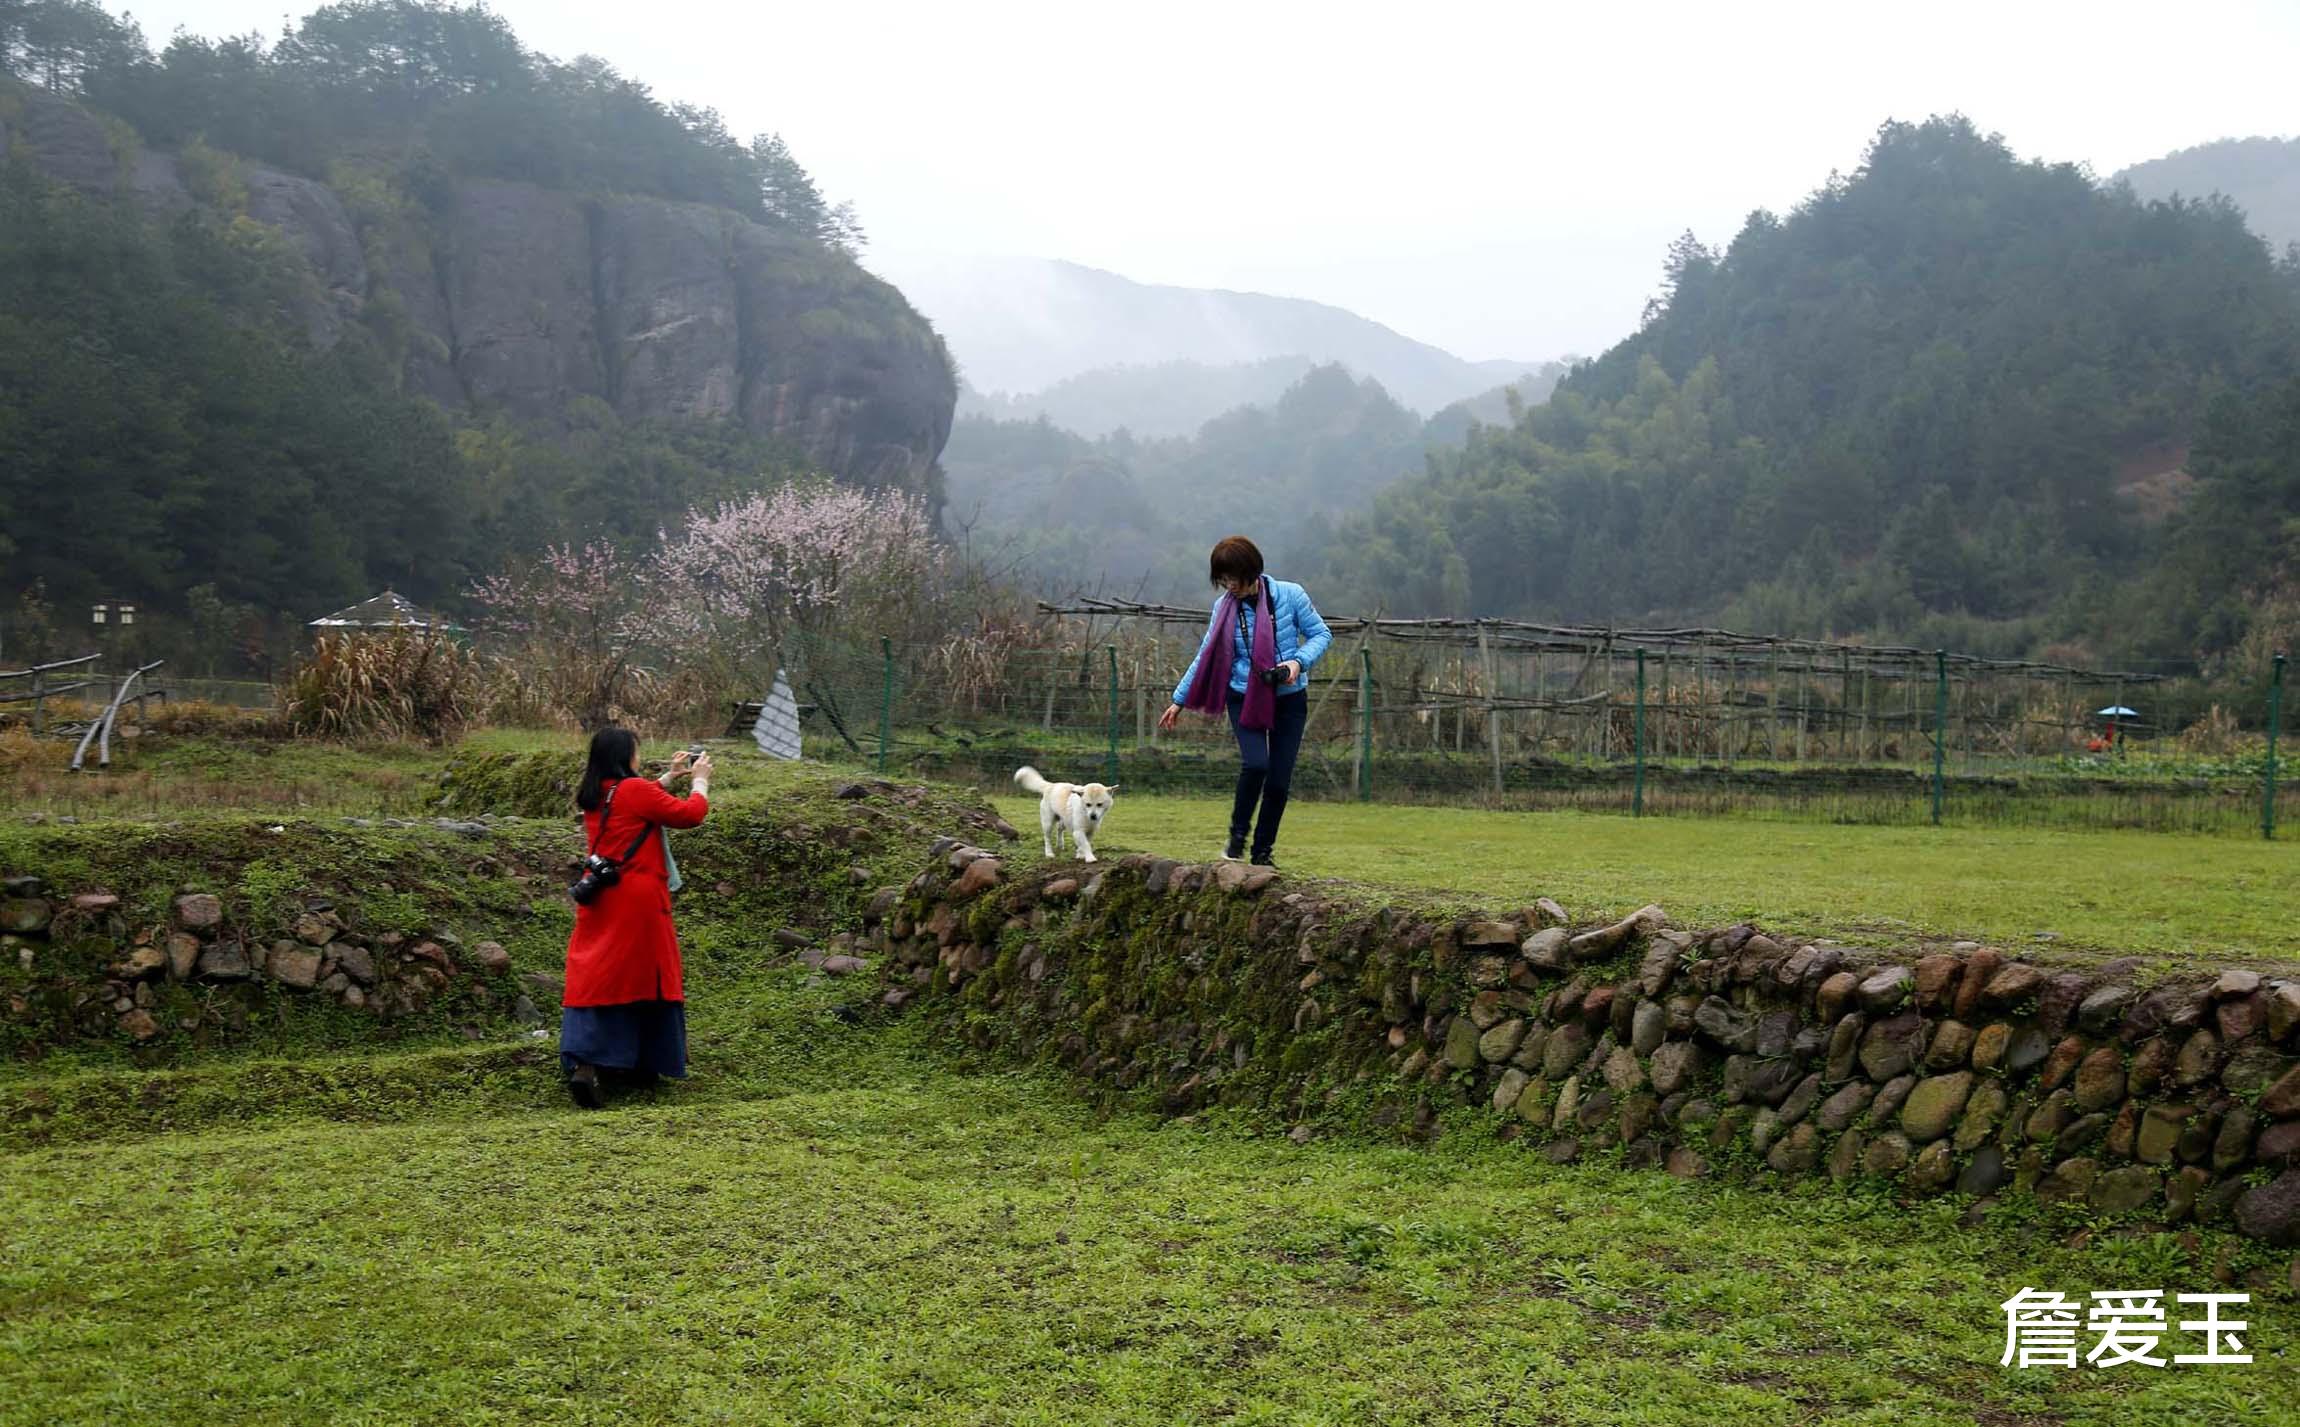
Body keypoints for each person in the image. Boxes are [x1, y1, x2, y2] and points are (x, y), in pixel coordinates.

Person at [560, 726, 712, 1109]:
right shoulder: (635, 792)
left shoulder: (596, 793)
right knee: (647, 974)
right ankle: (646, 1059)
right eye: (636, 752)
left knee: (601, 971)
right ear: (625, 755)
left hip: (600, 894)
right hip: (638, 899)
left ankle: (589, 1058)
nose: (639, 758)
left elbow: (629, 804)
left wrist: (667, 778)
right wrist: (699, 782)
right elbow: (691, 815)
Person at [1159, 535, 1332, 866]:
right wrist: (1178, 699)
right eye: (1222, 580)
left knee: (1279, 782)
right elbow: (1206, 654)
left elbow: (1322, 634)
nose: (1228, 586)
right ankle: (1237, 837)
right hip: (1243, 695)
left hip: (1290, 699)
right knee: (1256, 764)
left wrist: (1297, 663)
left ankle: (1262, 853)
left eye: (1232, 578)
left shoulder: (1291, 595)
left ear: (1251, 571)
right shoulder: (1223, 608)